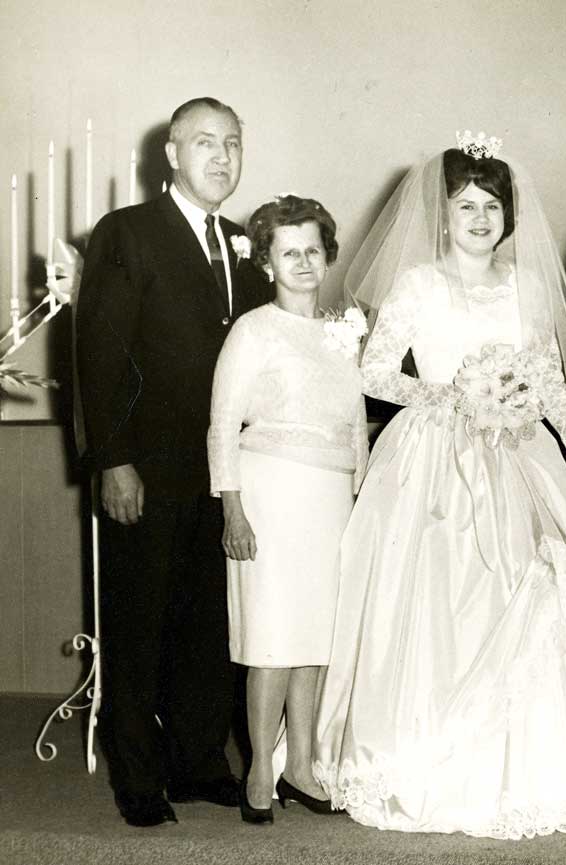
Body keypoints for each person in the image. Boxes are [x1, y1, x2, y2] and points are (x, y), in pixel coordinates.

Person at [312, 137, 566, 839]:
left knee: (547, 579)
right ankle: (428, 756)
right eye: (466, 206)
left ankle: (547, 766)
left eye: (492, 206)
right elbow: (376, 370)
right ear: (443, 216)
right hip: (437, 456)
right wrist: (452, 395)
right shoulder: (419, 284)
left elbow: (550, 379)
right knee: (441, 600)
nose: (480, 218)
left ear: (509, 215)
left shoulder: (527, 285)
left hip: (521, 452)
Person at [76, 97, 270, 827]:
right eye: (205, 142)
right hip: (146, 467)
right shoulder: (127, 232)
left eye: (233, 143)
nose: (222, 157)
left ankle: (197, 763)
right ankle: (138, 778)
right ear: (172, 153)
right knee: (138, 622)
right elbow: (99, 352)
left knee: (208, 623)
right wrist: (114, 460)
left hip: (224, 470)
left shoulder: (245, 243)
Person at [207, 195, 367, 824]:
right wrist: (233, 509)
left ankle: (300, 767)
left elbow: (356, 424)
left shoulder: (343, 332)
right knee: (272, 639)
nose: (303, 262)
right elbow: (223, 426)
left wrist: (360, 498)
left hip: (331, 499)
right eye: (288, 252)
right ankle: (259, 770)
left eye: (313, 250)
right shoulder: (253, 330)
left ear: (328, 256)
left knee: (316, 640)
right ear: (267, 262)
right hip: (269, 495)